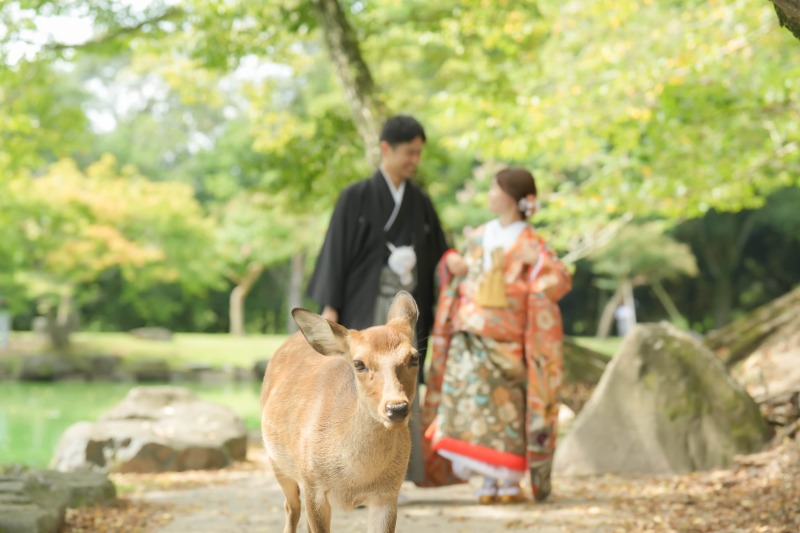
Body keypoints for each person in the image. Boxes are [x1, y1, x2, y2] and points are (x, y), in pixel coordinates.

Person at [306, 114, 449, 484]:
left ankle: (398, 473)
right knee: (360, 381)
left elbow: (440, 254)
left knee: (403, 378)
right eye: (408, 152)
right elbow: (336, 254)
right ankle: (350, 470)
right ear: (385, 149)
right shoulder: (355, 197)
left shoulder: (421, 201)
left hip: (405, 311)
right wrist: (331, 307)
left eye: (419, 154)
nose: (414, 160)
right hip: (361, 304)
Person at [420, 167, 572, 503]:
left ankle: (508, 480)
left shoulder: (533, 242)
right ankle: (486, 479)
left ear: (513, 197)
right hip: (469, 332)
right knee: (470, 407)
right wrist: (452, 265)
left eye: (494, 189)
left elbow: (559, 279)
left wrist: (537, 267)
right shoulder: (478, 236)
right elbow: (454, 270)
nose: (489, 195)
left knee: (506, 411)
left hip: (509, 337)